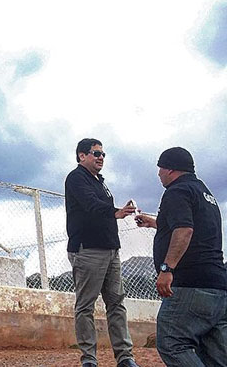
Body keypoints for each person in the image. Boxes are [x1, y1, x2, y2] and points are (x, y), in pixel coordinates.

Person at [135, 147, 227, 366]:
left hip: (190, 284)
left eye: (160, 168)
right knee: (215, 354)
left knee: (171, 342)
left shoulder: (177, 191)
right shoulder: (204, 193)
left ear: (170, 169)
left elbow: (185, 230)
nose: (158, 174)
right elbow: (195, 227)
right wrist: (156, 223)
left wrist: (167, 269)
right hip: (217, 287)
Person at [65, 138, 139, 367]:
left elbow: (100, 206)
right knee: (86, 306)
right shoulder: (76, 178)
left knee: (116, 303)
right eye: (96, 153)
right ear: (81, 156)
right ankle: (89, 360)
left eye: (103, 154)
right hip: (87, 251)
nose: (101, 158)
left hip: (110, 250)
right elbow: (90, 204)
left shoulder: (101, 181)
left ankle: (125, 357)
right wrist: (116, 212)